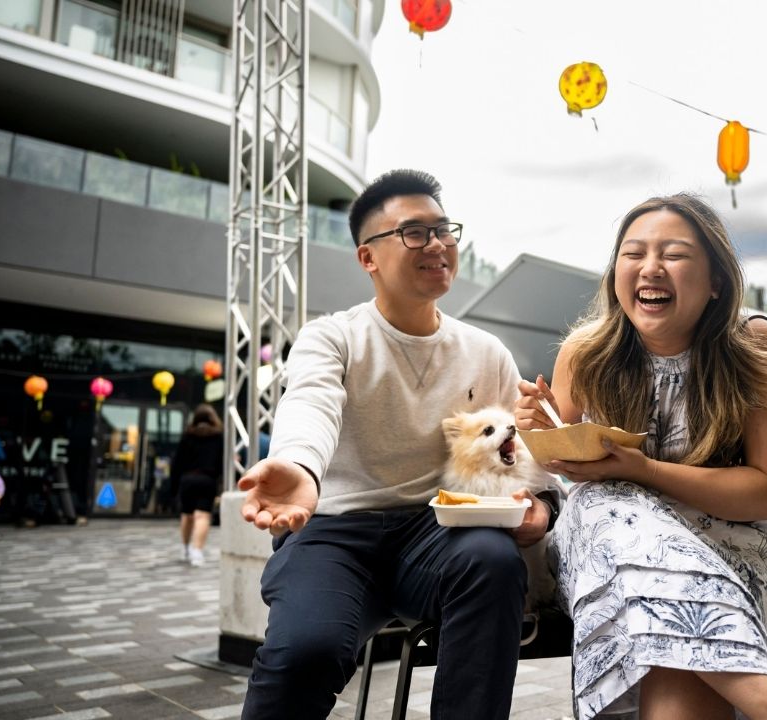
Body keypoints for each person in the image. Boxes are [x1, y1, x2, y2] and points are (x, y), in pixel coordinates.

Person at [237, 169, 560, 720]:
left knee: (494, 560)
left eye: (444, 230)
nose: (437, 245)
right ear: (369, 258)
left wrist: (544, 508)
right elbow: (309, 403)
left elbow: (524, 455)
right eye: (415, 233)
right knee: (305, 653)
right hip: (334, 531)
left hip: (437, 533)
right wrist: (298, 468)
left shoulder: (487, 352)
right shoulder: (333, 336)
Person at [516, 193, 767, 720]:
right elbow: (559, 465)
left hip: (735, 550)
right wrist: (540, 434)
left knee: (670, 668)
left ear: (715, 283)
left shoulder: (752, 345)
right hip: (608, 554)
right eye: (633, 253)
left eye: (675, 254)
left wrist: (642, 469)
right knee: (600, 500)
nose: (650, 268)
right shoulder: (586, 354)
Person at [170, 404, 224, 567]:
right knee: (202, 516)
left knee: (187, 515)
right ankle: (197, 552)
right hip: (207, 480)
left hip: (187, 480)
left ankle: (185, 548)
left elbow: (176, 463)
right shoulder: (218, 436)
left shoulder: (187, 436)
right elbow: (222, 462)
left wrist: (173, 486)